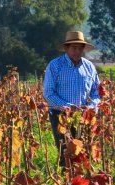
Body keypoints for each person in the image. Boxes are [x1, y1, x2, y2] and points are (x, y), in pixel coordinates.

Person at [42, 30, 102, 167]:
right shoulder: (55, 66)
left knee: (82, 154)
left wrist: (92, 107)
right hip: (61, 116)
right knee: (66, 154)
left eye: (80, 48)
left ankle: (80, 184)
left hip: (83, 116)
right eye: (73, 47)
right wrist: (67, 106)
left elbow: (96, 92)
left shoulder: (89, 67)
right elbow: (49, 94)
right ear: (66, 48)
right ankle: (65, 184)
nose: (77, 51)